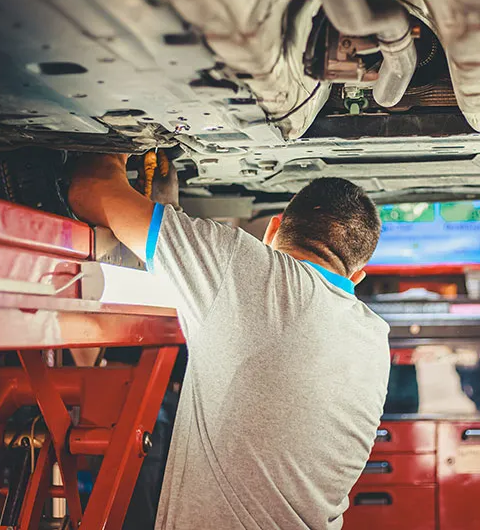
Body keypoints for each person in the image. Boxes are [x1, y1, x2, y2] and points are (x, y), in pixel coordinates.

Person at [68, 154, 390, 530]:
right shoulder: (373, 339)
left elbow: (89, 190)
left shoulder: (245, 267)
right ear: (358, 276)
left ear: (272, 230)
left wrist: (117, 145)